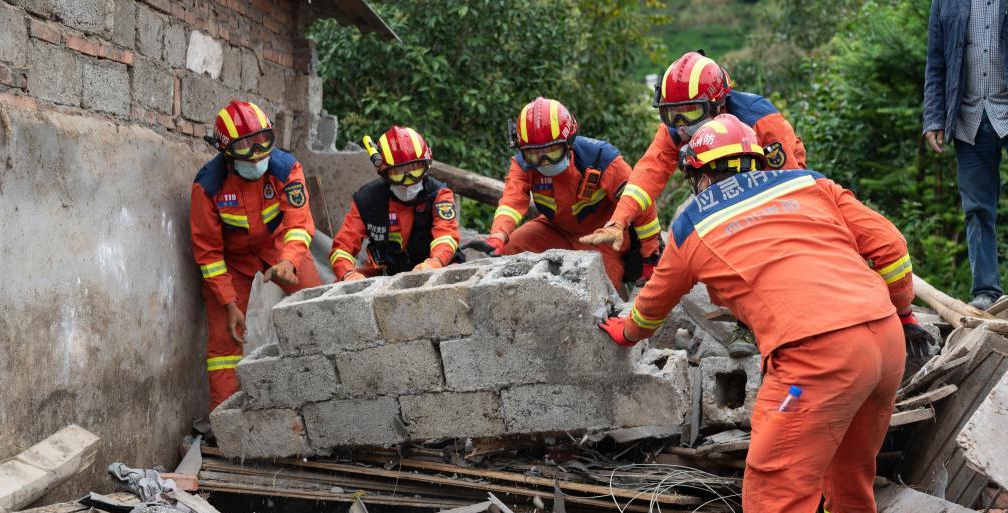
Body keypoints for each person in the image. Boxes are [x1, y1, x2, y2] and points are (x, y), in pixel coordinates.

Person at [599, 114, 933, 513]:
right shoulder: (810, 184)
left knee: (772, 492)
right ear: (756, 159)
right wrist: (904, 311)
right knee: (849, 466)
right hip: (884, 340)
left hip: (816, 357)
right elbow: (889, 247)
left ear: (699, 174)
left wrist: (625, 332)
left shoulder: (692, 223)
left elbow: (653, 305)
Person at [582, 51, 807, 356]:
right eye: (671, 113)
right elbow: (647, 174)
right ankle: (743, 314)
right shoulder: (675, 130)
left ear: (718, 103)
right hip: (716, 184)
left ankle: (765, 314)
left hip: (771, 181)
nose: (680, 124)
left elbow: (789, 185)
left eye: (689, 111)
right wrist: (619, 220)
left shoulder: (761, 120)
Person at [191, 100, 322, 410]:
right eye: (246, 145)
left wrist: (289, 261)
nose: (258, 153)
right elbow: (208, 253)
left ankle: (323, 396)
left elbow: (299, 224)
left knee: (317, 308)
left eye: (263, 140)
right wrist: (229, 303)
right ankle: (225, 420)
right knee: (225, 342)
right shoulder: (208, 187)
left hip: (279, 247)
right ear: (226, 151)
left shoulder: (286, 169)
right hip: (232, 261)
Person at [484, 97, 662, 289]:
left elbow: (640, 203)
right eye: (535, 154)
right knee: (513, 247)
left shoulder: (601, 159)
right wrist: (498, 236)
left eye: (552, 152)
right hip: (555, 229)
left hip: (602, 235)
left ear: (569, 142)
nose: (544, 162)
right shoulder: (523, 164)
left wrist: (650, 255)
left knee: (601, 288)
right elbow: (511, 201)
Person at [924, 0, 1008, 310]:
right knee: (977, 209)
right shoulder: (945, 3)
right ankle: (986, 291)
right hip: (968, 116)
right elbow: (936, 62)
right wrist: (934, 118)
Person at [329, 126, 460, 281]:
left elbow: (446, 235)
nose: (408, 181)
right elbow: (342, 248)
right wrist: (348, 274)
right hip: (388, 273)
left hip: (436, 268)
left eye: (415, 169)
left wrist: (435, 262)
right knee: (342, 282)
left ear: (427, 164)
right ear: (384, 172)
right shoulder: (366, 200)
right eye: (398, 173)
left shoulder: (439, 194)